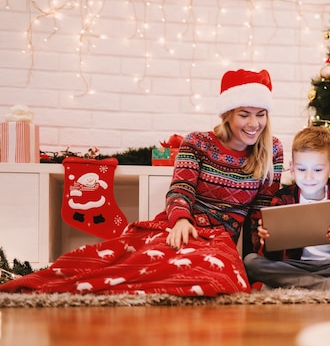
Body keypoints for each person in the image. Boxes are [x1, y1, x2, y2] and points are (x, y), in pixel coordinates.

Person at [0, 69, 283, 297]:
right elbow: (180, 188)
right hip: (181, 227)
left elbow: (261, 210)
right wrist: (181, 220)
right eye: (244, 114)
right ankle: (45, 281)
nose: (253, 123)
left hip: (219, 241)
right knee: (121, 258)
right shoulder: (198, 142)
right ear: (228, 114)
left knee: (218, 278)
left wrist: (262, 243)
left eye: (260, 114)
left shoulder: (272, 151)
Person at [244, 126, 330, 291]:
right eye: (301, 169)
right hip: (294, 266)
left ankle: (288, 285)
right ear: (292, 169)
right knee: (251, 262)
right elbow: (272, 256)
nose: (308, 177)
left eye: (317, 169)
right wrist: (268, 241)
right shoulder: (283, 198)